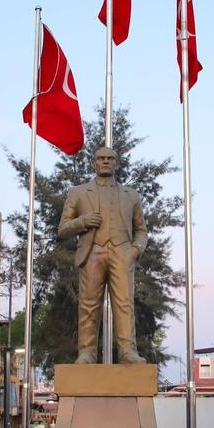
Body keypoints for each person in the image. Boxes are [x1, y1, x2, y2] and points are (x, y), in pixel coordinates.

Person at [57, 146, 149, 364]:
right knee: (88, 305)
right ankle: (86, 353)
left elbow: (141, 230)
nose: (106, 161)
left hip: (122, 252)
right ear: (94, 163)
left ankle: (128, 351)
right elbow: (63, 228)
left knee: (124, 303)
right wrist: (83, 221)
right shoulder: (78, 193)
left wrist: (135, 250)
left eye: (110, 158)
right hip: (92, 252)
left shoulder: (131, 195)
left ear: (116, 163)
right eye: (101, 158)